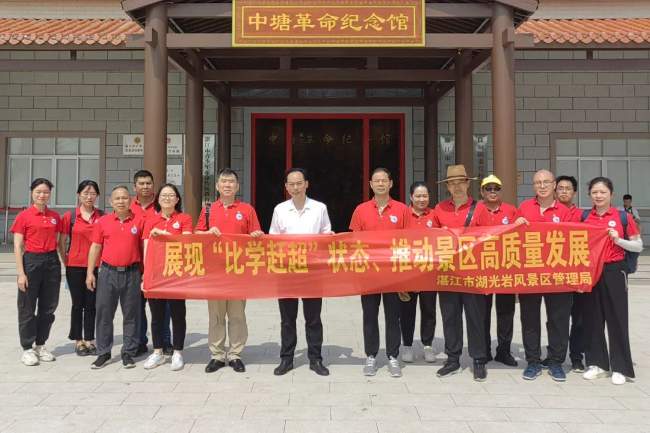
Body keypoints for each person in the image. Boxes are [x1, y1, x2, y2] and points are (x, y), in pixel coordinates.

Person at [195, 168, 263, 374]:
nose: (227, 185)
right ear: (217, 186)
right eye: (223, 181)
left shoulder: (247, 210)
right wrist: (207, 233)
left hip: (238, 272)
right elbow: (196, 235)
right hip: (214, 272)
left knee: (237, 315)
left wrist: (257, 235)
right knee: (216, 316)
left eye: (231, 181)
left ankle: (235, 355)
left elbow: (257, 236)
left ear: (237, 186)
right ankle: (216, 355)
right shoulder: (208, 210)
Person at [270, 167, 332, 376]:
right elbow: (273, 238)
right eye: (291, 184)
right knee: (288, 319)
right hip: (287, 271)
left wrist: (330, 237)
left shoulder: (319, 208)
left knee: (313, 318)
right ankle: (286, 359)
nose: (295, 188)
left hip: (312, 271)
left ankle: (316, 359)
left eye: (299, 183)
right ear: (286, 187)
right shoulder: (280, 209)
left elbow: (325, 235)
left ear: (306, 184)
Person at [350, 167, 409, 378]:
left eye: (384, 180)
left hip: (394, 273)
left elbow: (410, 241)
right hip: (369, 273)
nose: (381, 184)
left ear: (391, 184)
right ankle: (371, 355)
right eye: (377, 181)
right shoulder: (361, 210)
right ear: (371, 185)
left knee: (393, 316)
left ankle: (393, 356)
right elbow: (354, 242)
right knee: (369, 315)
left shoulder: (402, 210)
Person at [514, 170, 572, 382]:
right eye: (538, 182)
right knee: (529, 319)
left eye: (547, 182)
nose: (543, 185)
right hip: (530, 273)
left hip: (558, 274)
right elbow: (510, 238)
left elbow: (574, 240)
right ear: (533, 186)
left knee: (558, 320)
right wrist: (516, 225)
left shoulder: (564, 211)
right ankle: (533, 361)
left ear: (554, 185)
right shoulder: (524, 208)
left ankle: (556, 362)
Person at [582, 177, 641, 385]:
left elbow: (638, 245)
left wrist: (619, 240)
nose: (598, 196)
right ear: (590, 195)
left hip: (615, 269)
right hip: (591, 270)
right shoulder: (584, 217)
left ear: (611, 194)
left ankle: (620, 368)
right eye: (594, 192)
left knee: (617, 318)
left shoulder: (623, 217)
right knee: (593, 318)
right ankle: (597, 365)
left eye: (603, 192)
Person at [432, 165, 489, 382]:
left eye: (460, 183)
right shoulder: (439, 209)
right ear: (447, 186)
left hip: (472, 272)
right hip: (447, 272)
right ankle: (453, 359)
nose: (457, 187)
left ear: (468, 184)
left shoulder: (480, 209)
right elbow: (431, 238)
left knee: (476, 317)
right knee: (450, 317)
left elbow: (489, 238)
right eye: (452, 183)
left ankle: (479, 360)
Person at [87, 186, 146, 369]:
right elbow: (95, 247)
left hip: (132, 273)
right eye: (117, 198)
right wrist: (90, 273)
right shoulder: (103, 222)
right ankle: (103, 353)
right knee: (104, 314)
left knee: (132, 315)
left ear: (130, 200)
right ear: (111, 202)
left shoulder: (139, 220)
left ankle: (128, 352)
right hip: (108, 273)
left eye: (124, 198)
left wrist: (146, 273)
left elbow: (145, 248)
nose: (121, 201)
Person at [142, 184, 193, 371]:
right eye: (164, 195)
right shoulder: (151, 220)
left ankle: (178, 353)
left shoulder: (185, 219)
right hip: (156, 274)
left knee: (178, 314)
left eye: (171, 195)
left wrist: (164, 234)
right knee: (157, 315)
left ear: (177, 200)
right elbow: (146, 247)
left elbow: (186, 243)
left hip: (177, 274)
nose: (167, 198)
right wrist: (146, 274)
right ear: (158, 199)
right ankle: (157, 352)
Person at [11, 178, 62, 366]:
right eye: (38, 192)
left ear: (50, 194)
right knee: (27, 307)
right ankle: (27, 348)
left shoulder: (55, 216)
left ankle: (40, 345)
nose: (42, 195)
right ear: (32, 193)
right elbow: (18, 246)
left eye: (46, 192)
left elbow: (59, 240)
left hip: (52, 261)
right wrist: (21, 273)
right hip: (31, 261)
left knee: (49, 307)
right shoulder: (23, 216)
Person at [476, 174, 518, 368]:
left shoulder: (511, 211)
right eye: (488, 188)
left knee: (506, 311)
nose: (492, 191)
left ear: (501, 191)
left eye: (496, 188)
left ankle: (504, 351)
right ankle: (484, 350)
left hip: (505, 267)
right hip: (481, 268)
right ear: (481, 191)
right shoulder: (476, 210)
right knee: (482, 312)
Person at [58, 180, 104, 357]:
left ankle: (89, 340)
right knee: (78, 304)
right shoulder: (70, 216)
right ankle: (78, 341)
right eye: (85, 193)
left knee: (91, 304)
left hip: (97, 266)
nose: (89, 197)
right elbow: (62, 241)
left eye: (92, 193)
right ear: (78, 195)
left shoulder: (102, 216)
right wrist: (66, 261)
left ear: (97, 196)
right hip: (75, 266)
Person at [549, 175, 585, 373]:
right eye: (560, 188)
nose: (564, 192)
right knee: (555, 318)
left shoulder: (583, 215)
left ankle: (577, 356)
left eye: (568, 188)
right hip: (555, 275)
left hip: (578, 273)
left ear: (575, 193)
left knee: (578, 317)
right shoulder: (548, 213)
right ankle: (553, 354)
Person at [399, 181, 437, 364]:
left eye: (425, 196)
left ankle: (427, 345)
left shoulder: (435, 215)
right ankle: (407, 345)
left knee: (429, 310)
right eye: (418, 196)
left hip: (430, 272)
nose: (422, 199)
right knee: (407, 310)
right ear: (410, 197)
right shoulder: (403, 215)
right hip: (408, 271)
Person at [129, 170, 159, 357]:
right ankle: (140, 341)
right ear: (135, 187)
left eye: (148, 183)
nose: (145, 187)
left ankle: (164, 341)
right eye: (141, 183)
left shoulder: (161, 204)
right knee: (137, 307)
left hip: (158, 267)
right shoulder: (128, 206)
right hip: (134, 266)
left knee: (161, 308)